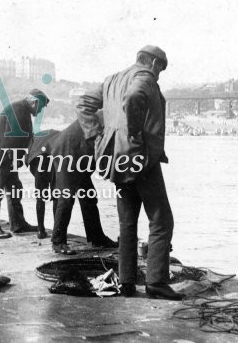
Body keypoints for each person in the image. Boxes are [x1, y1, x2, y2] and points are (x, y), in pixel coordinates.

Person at [76, 45, 183, 300]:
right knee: (161, 219)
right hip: (141, 159)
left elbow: (83, 104)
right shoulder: (144, 77)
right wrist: (134, 133)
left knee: (127, 223)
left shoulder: (112, 79)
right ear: (154, 63)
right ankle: (156, 282)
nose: (159, 75)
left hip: (117, 160)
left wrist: (96, 135)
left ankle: (126, 283)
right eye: (161, 70)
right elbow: (134, 98)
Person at [0, 89, 49, 239]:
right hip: (0, 155)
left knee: (15, 189)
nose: (41, 110)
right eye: (41, 107)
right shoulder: (19, 109)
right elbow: (13, 137)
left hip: (6, 157)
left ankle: (18, 224)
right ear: (34, 102)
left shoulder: (21, 109)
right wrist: (15, 159)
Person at [42, 120, 117, 254]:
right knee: (66, 198)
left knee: (89, 197)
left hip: (79, 153)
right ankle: (58, 242)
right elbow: (102, 151)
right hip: (67, 151)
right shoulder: (113, 119)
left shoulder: (113, 117)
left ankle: (97, 238)